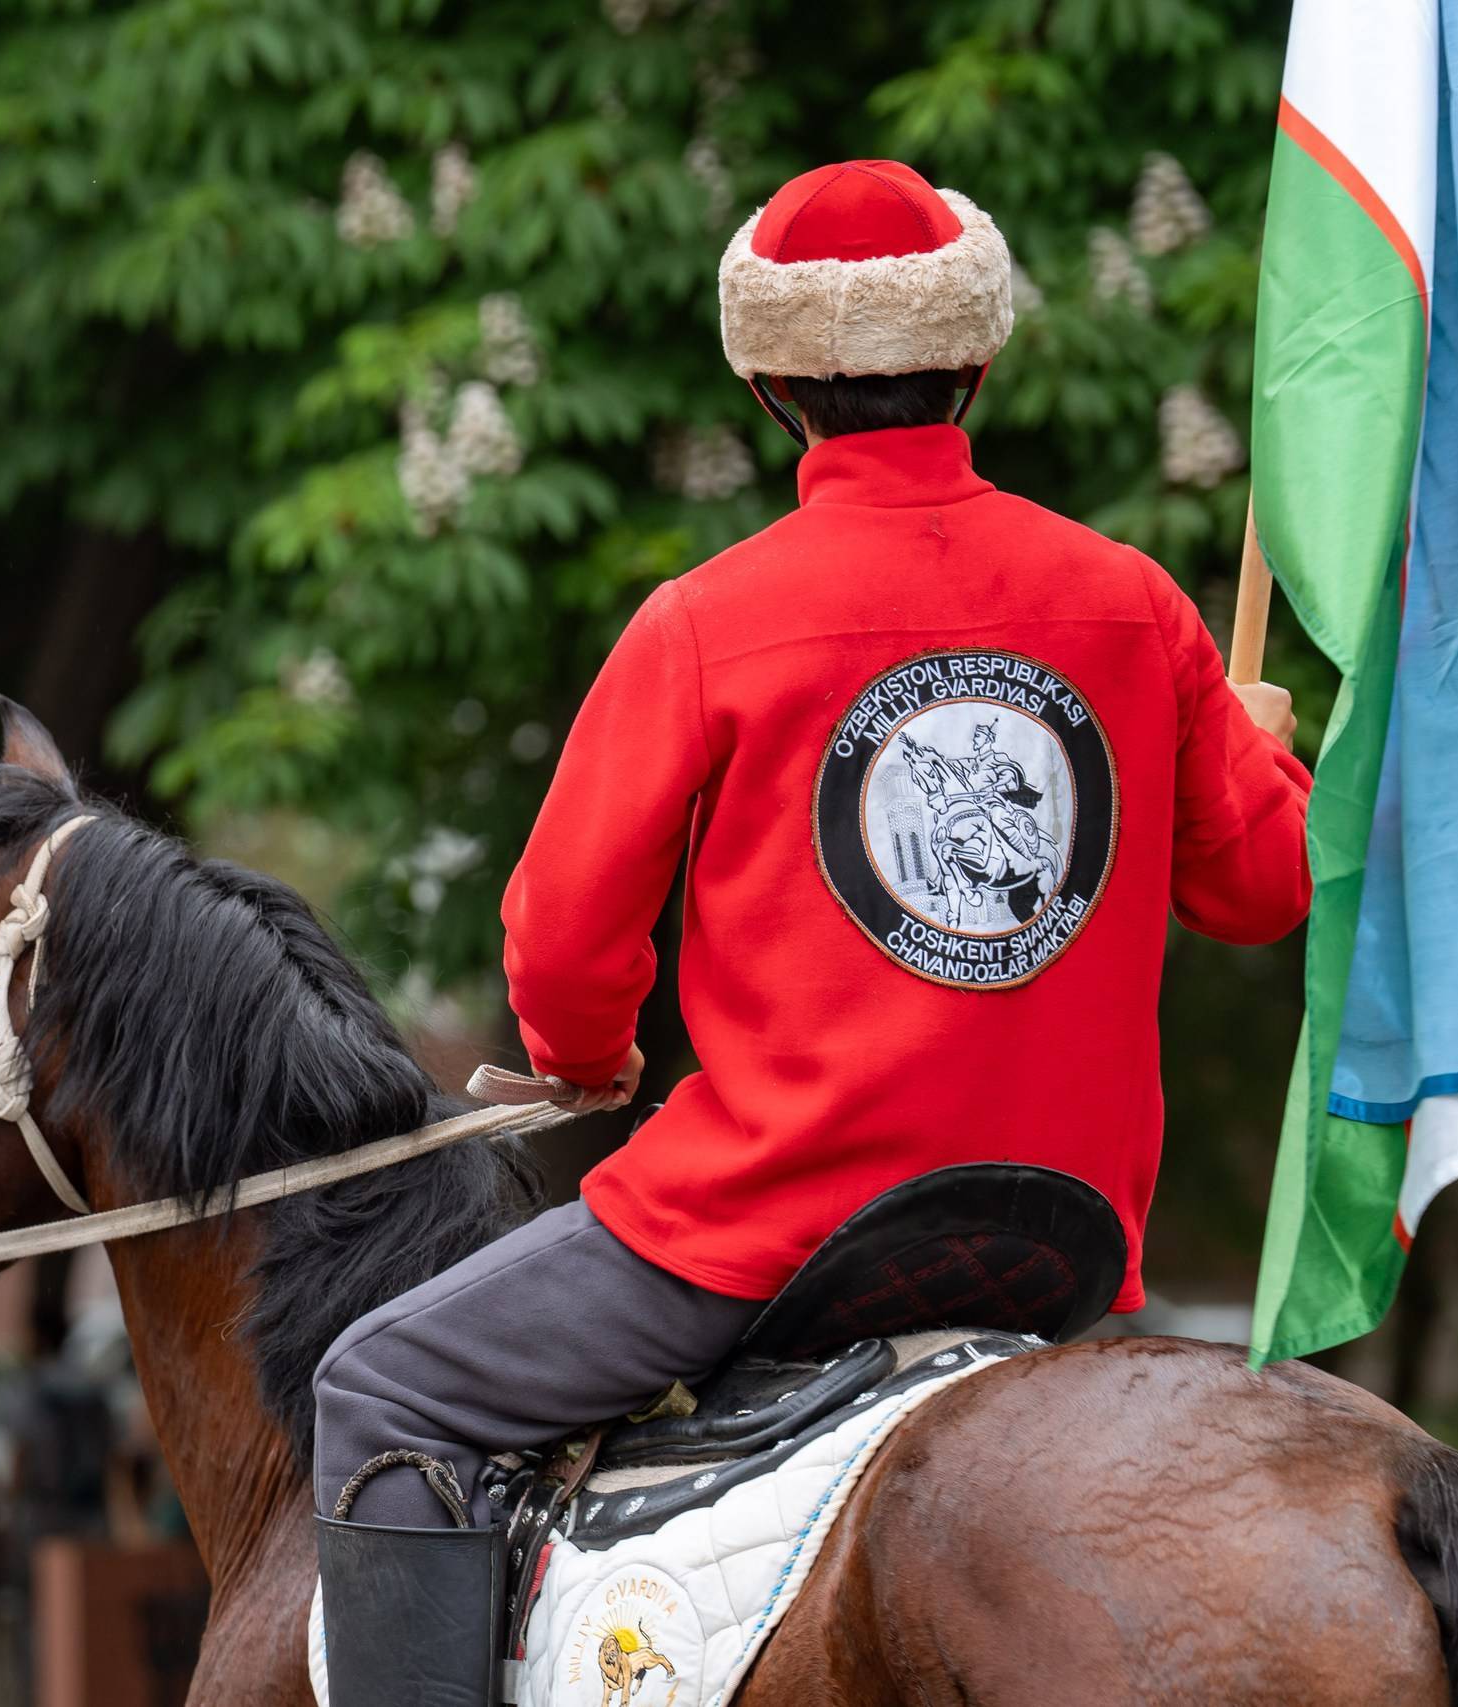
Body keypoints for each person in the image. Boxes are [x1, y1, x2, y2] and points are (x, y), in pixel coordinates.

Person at [309, 159, 1313, 1704]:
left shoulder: (704, 618)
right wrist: (1261, 746)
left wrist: (590, 1056)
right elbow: (1264, 887)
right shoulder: (1128, 600)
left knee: (382, 1378)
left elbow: (563, 944)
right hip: (1059, 1235)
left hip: (770, 1232)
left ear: (772, 381)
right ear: (978, 361)